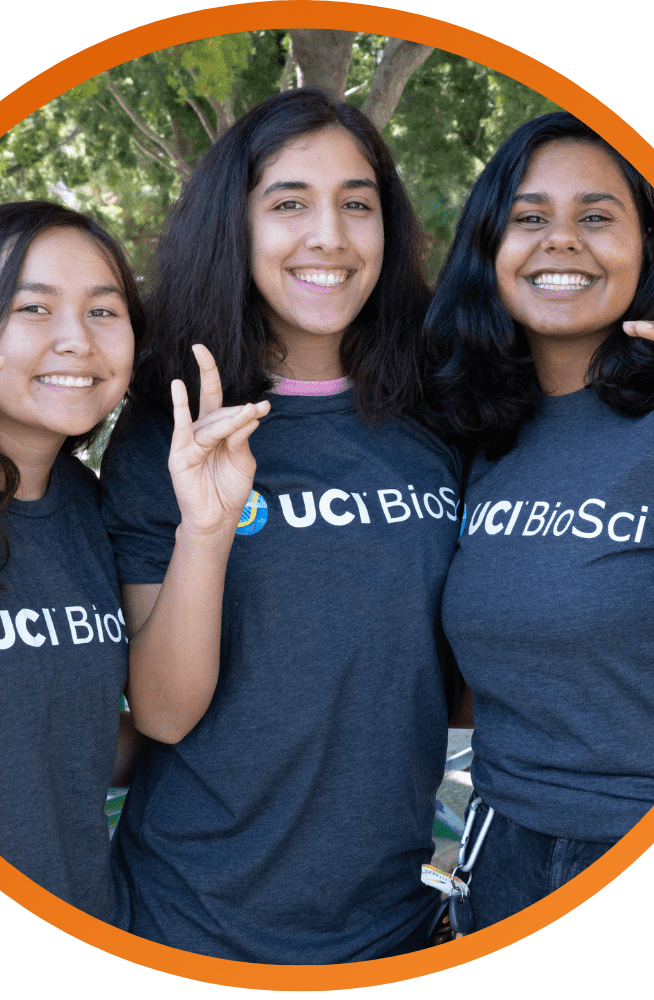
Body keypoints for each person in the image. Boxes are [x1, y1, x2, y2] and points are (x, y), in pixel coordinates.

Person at [100, 88, 464, 963]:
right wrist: (207, 529)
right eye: (289, 203)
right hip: (193, 921)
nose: (329, 236)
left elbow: (452, 671)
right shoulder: (172, 430)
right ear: (236, 225)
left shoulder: (439, 418)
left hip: (392, 924)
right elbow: (161, 710)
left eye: (357, 205)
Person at [0, 201, 266, 924]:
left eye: (104, 312)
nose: (78, 341)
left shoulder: (90, 507)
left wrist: (205, 528)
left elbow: (123, 726)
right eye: (33, 309)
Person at [425, 112, 654, 930]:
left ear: (649, 246)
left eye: (597, 216)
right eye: (531, 217)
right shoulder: (479, 434)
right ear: (490, 248)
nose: (562, 241)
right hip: (502, 853)